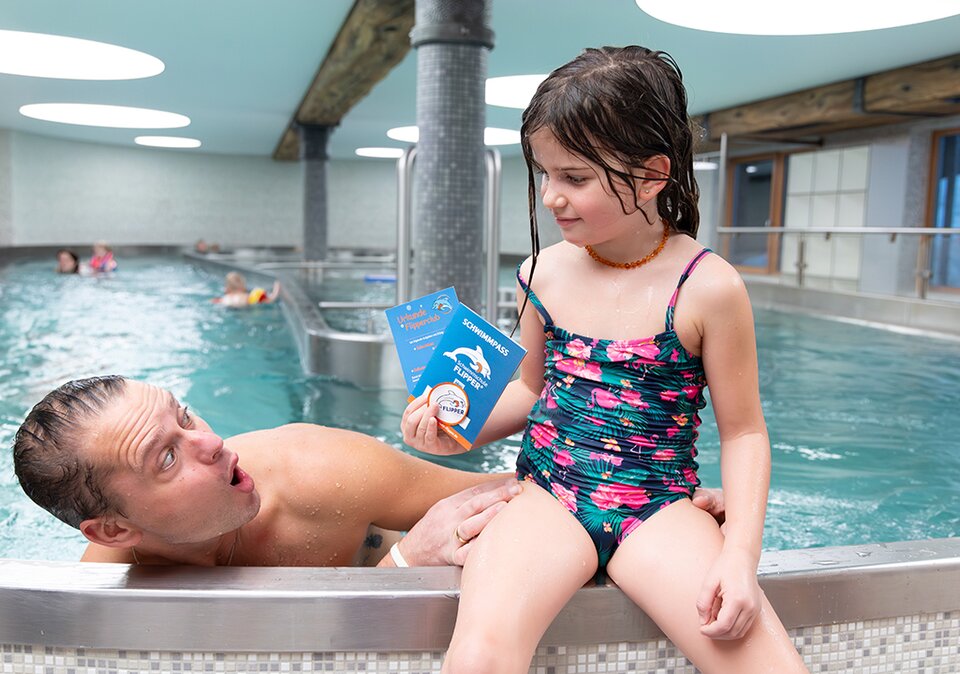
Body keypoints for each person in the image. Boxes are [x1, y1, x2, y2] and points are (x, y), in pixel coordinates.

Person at [401, 46, 808, 673]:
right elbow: (532, 390)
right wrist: (454, 427)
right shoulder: (542, 271)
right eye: (544, 175)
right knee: (481, 652)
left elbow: (746, 430)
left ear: (650, 176)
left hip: (657, 505)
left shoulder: (707, 286)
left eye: (574, 178)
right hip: (549, 495)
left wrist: (739, 555)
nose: (549, 198)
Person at [12, 376, 727, 569]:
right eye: (166, 456)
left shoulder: (321, 470)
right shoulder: (109, 587)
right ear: (114, 527)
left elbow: (524, 497)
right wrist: (405, 564)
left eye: (187, 415)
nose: (211, 442)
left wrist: (663, 506)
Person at [212, 271, 281, 308]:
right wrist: (276, 287)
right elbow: (271, 299)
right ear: (243, 286)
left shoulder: (224, 298)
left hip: (227, 306)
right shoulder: (248, 297)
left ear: (227, 289)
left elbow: (213, 302)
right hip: (243, 306)